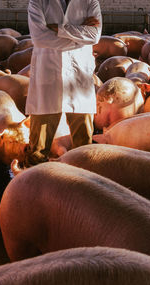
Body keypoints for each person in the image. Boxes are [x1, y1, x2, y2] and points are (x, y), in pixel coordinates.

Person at [24, 0, 102, 166]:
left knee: (84, 146)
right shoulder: (37, 2)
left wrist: (59, 29)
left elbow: (94, 36)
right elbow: (40, 38)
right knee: (38, 149)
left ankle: (82, 184)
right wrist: (79, 34)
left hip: (79, 79)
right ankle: (37, 185)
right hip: (48, 77)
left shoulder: (89, 2)